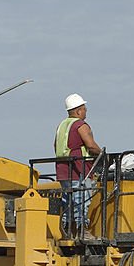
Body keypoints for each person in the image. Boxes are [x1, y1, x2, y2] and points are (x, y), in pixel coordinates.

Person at [54, 93, 101, 232]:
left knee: (68, 202)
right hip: (80, 171)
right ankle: (81, 231)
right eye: (84, 108)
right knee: (82, 200)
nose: (86, 111)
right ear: (78, 110)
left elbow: (55, 145)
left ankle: (67, 231)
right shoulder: (80, 125)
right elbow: (91, 145)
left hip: (63, 171)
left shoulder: (62, 126)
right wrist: (102, 153)